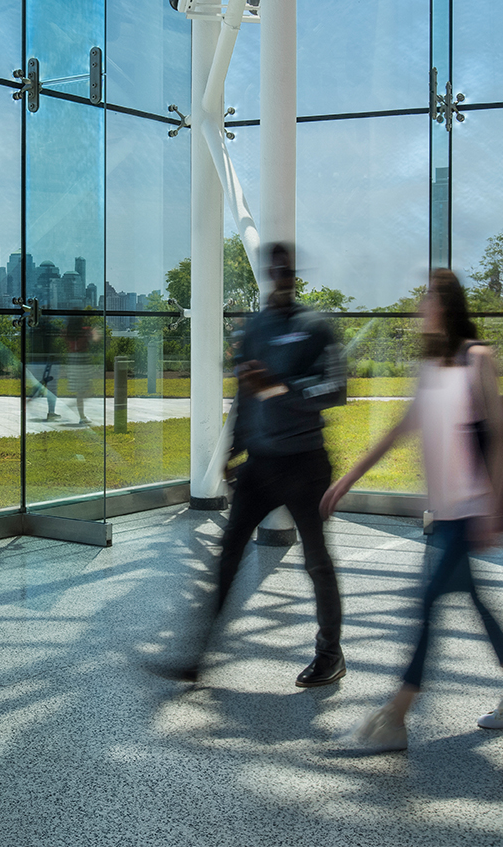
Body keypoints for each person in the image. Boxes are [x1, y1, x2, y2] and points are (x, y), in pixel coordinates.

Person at [321, 268, 503, 753]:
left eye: (427, 297)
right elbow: (402, 428)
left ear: (446, 305)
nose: (420, 306)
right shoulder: (432, 367)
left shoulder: (477, 359)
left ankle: (395, 716)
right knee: (475, 603)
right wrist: (348, 478)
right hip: (442, 515)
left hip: (471, 510)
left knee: (426, 606)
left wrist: (496, 510)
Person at [155, 242, 348, 689]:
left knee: (317, 561)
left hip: (306, 464)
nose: (279, 272)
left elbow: (336, 390)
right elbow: (245, 393)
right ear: (267, 271)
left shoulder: (317, 326)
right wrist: (231, 451)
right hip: (261, 466)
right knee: (227, 558)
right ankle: (196, 656)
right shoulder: (256, 327)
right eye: (273, 265)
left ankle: (330, 654)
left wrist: (281, 387)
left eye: (286, 266)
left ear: (294, 272)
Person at [64, 312, 102, 425]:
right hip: (83, 359)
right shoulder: (85, 331)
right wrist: (96, 331)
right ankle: (81, 415)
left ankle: (81, 414)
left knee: (80, 391)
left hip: (72, 360)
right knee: (86, 389)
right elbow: (96, 339)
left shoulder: (68, 332)